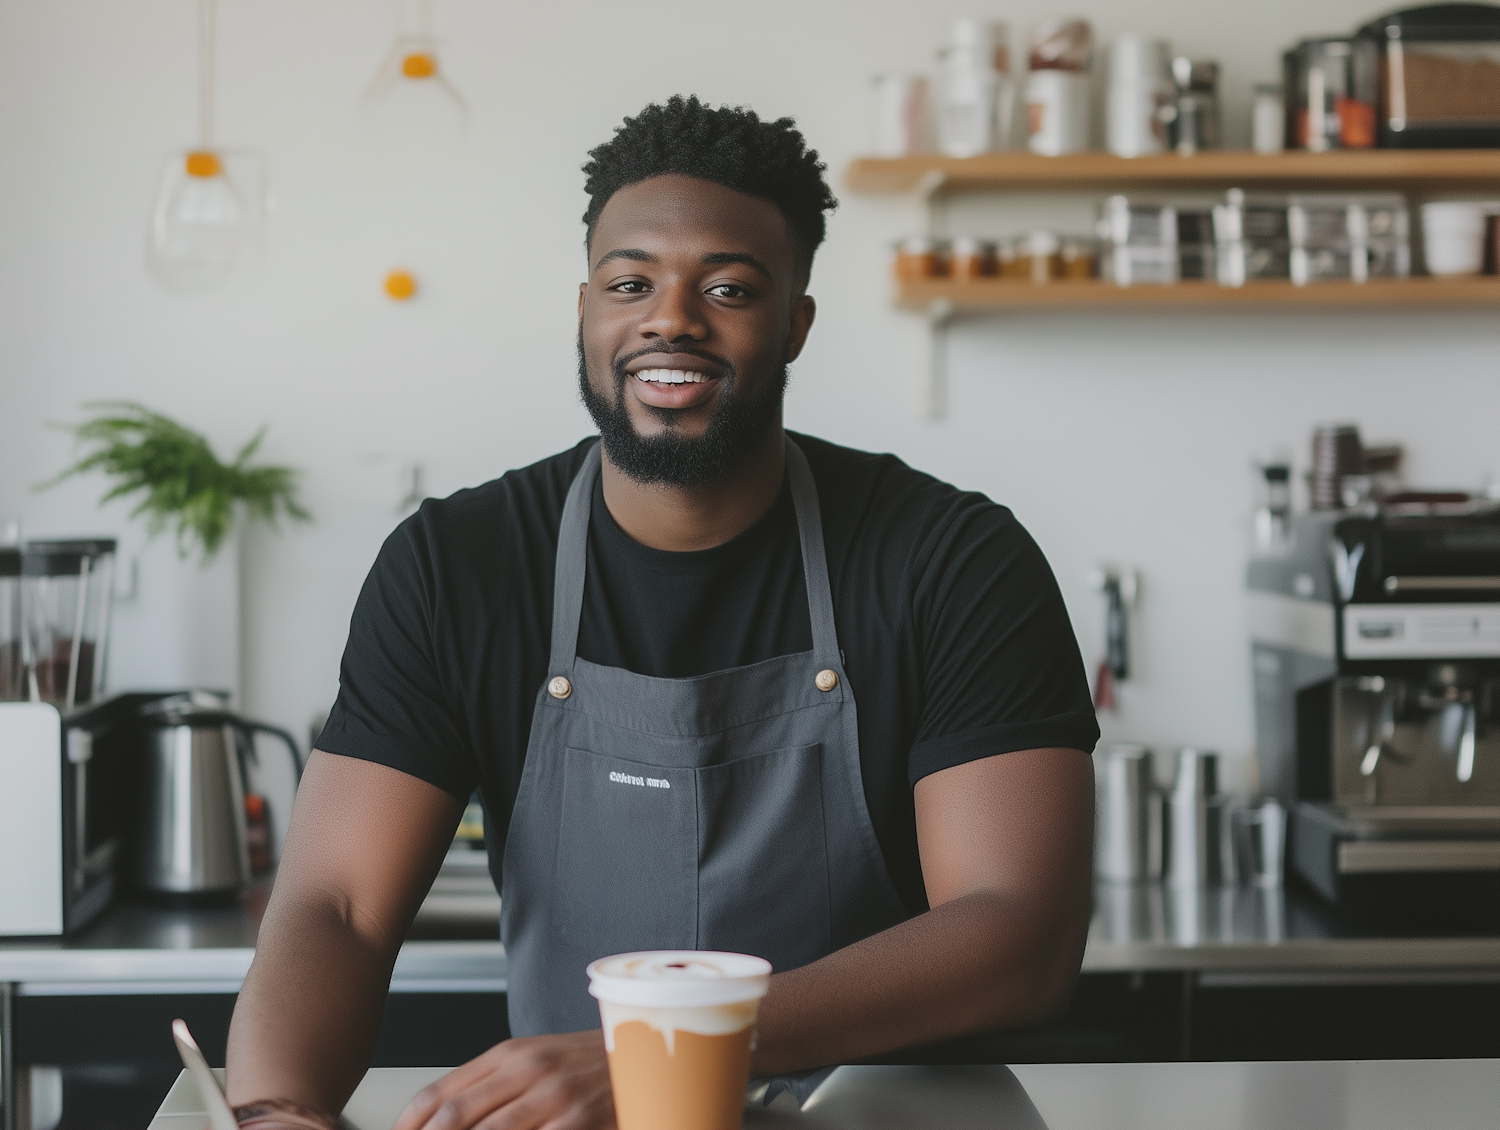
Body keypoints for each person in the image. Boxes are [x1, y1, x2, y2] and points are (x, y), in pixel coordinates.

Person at [225, 96, 1099, 1130]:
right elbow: (334, 902)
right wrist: (274, 1109)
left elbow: (1017, 928)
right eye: (630, 282)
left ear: (795, 324)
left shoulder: (951, 560)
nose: (670, 317)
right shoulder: (456, 566)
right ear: (586, 309)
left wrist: (666, 1049)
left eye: (727, 287)